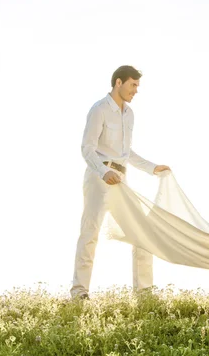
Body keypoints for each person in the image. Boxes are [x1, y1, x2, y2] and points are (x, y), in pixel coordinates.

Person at [70, 65, 170, 299]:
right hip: (99, 179)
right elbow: (87, 149)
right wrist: (103, 172)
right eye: (133, 84)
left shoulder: (129, 114)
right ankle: (79, 292)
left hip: (122, 180)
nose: (136, 90)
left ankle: (144, 293)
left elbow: (127, 153)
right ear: (118, 82)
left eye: (137, 85)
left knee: (141, 232)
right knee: (90, 233)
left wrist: (152, 168)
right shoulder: (99, 109)